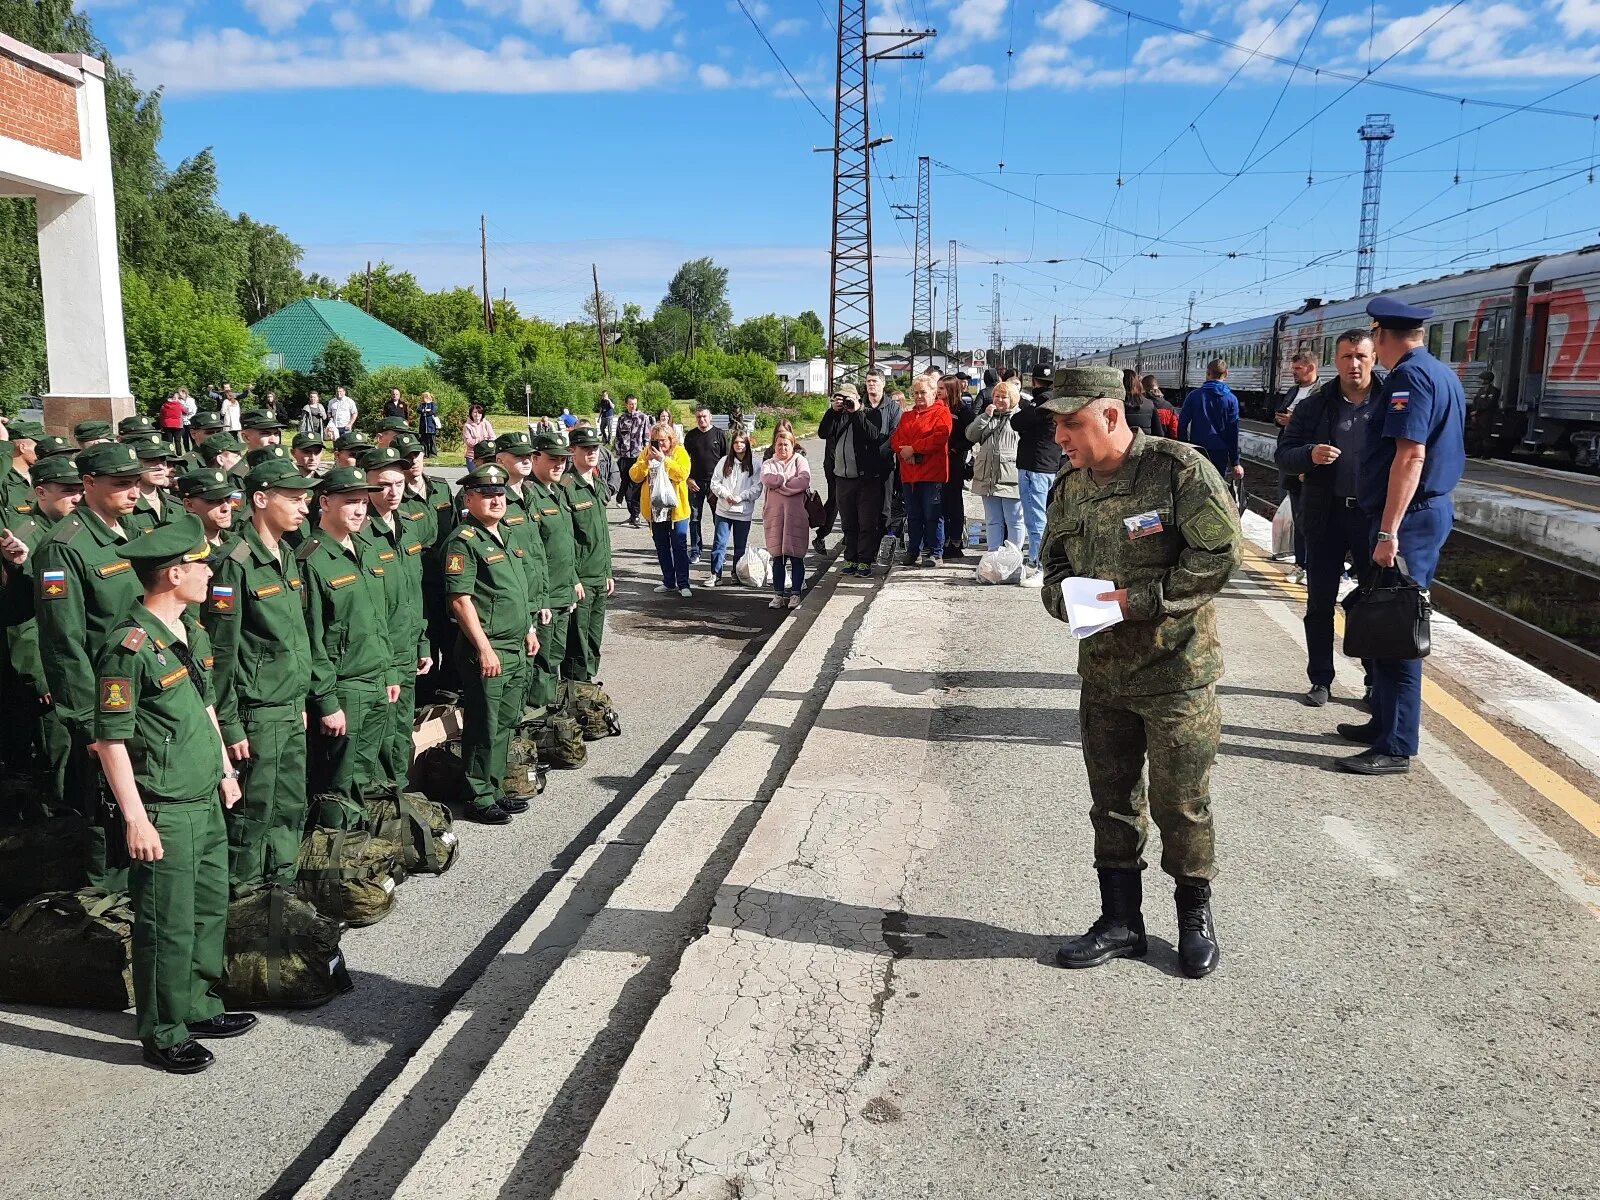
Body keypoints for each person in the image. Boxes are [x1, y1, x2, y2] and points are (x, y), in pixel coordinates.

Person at [1038, 365, 1239, 980]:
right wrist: (1065, 600)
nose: (1062, 438)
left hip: (1177, 673)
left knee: (1181, 803)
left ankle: (1194, 915)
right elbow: (1049, 569)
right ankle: (1121, 921)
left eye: (1072, 424)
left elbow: (1218, 555)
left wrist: (1135, 599)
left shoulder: (1177, 471)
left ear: (1110, 414)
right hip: (1103, 676)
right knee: (1112, 803)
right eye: (1057, 426)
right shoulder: (1067, 489)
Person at [94, 516, 253, 1075]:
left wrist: (224, 770)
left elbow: (205, 705)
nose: (211, 573)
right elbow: (110, 742)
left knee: (208, 908)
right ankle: (163, 1030)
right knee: (167, 924)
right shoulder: (129, 648)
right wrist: (136, 820)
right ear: (173, 574)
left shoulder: (192, 631)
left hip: (204, 794)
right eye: (201, 565)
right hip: (163, 805)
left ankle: (199, 1005)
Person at [1336, 297, 1466, 776]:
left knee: (1397, 625)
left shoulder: (1410, 378)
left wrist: (1388, 529)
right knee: (1384, 618)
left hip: (1408, 519)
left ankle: (1396, 744)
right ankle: (1383, 722)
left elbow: (1409, 458)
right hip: (1420, 514)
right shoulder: (1440, 372)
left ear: (1381, 336)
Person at [199, 460, 314, 895]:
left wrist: (300, 701)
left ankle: (280, 893)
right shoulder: (235, 562)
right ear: (260, 500)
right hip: (254, 713)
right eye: (294, 498)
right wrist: (227, 724)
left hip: (287, 706)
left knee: (288, 806)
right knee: (253, 814)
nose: (303, 508)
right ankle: (244, 899)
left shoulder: (286, 554)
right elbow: (222, 653)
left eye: (305, 499)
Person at [36, 441, 147, 890]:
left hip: (144, 692)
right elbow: (63, 645)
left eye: (135, 483)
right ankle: (109, 914)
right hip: (104, 706)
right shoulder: (64, 548)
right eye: (121, 484)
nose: (132, 492)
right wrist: (88, 722)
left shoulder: (133, 530)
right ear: (88, 484)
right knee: (108, 814)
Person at [1276, 331, 1381, 710]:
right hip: (1326, 514)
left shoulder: (1390, 402)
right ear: (1335, 361)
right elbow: (1283, 454)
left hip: (1371, 518)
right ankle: (1321, 679)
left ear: (1374, 358)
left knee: (1373, 602)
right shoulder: (1315, 406)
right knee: (1319, 602)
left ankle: (1374, 680)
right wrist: (1309, 454)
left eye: (1362, 356)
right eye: (1347, 356)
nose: (1355, 364)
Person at [443, 464, 539, 825]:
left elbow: (516, 590)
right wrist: (484, 648)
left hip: (515, 645)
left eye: (500, 493)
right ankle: (478, 796)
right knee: (484, 724)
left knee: (505, 723)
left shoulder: (505, 535)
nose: (496, 499)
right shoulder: (463, 541)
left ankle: (495, 787)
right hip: (489, 649)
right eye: (486, 494)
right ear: (469, 498)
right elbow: (460, 600)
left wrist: (529, 628)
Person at [298, 466, 396, 805]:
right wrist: (326, 701)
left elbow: (378, 619)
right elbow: (310, 638)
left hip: (375, 678)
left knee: (365, 775)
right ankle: (337, 849)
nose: (360, 510)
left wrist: (390, 672)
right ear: (324, 502)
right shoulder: (310, 559)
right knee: (338, 782)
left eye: (364, 502)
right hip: (344, 687)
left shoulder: (365, 548)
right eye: (350, 502)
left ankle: (361, 848)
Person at [0, 455, 84, 814]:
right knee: (59, 745)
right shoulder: (23, 538)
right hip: (49, 665)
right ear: (40, 492)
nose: (76, 498)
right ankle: (63, 818)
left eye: (79, 491)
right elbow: (20, 620)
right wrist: (39, 674)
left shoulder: (76, 529)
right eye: (67, 492)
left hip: (78, 655)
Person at [525, 431, 578, 719]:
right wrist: (543, 598)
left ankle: (549, 722)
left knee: (554, 658)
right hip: (545, 597)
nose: (559, 465)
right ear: (535, 458)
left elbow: (564, 547)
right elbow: (535, 556)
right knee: (542, 663)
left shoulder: (557, 492)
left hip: (562, 592)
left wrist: (572, 585)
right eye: (553, 459)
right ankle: (537, 722)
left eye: (563, 460)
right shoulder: (530, 495)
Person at [561, 427, 615, 683]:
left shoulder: (597, 482)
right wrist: (572, 578)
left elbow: (601, 535)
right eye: (586, 448)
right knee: (577, 644)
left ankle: (588, 687)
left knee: (593, 640)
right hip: (581, 578)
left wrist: (608, 572)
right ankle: (576, 692)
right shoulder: (566, 487)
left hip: (598, 577)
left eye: (595, 448)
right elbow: (567, 540)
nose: (592, 453)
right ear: (573, 451)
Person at [821, 383, 889, 578]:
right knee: (849, 522)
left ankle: (865, 561)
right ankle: (850, 558)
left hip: (866, 478)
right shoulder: (838, 416)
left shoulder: (870, 414)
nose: (846, 403)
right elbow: (824, 433)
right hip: (843, 478)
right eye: (842, 399)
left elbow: (873, 435)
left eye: (849, 399)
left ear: (858, 398)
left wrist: (856, 412)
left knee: (867, 522)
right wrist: (833, 411)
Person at [890, 374, 953, 568]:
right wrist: (904, 452)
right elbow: (896, 439)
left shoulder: (942, 413)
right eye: (916, 393)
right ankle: (913, 551)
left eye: (923, 392)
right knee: (914, 515)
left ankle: (935, 552)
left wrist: (914, 448)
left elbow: (939, 437)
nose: (918, 396)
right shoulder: (907, 415)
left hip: (932, 473)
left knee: (932, 514)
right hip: (909, 474)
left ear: (934, 393)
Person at [1011, 365, 1063, 586]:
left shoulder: (1040, 403)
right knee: (1047, 517)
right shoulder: (1059, 401)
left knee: (1035, 519)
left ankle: (1038, 564)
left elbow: (1017, 422)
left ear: (1034, 381)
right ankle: (1042, 562)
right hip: (1052, 464)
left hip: (1034, 465)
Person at [1273, 352, 1319, 584]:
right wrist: (1281, 419)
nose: (1293, 373)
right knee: (1296, 512)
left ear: (1311, 368)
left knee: (1308, 517)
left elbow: (1318, 426)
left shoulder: (1321, 393)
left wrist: (1294, 422)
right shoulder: (1293, 391)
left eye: (1298, 369)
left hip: (1308, 461)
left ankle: (1310, 565)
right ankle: (1300, 563)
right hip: (1290, 457)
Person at [631, 422, 692, 595]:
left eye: (663, 440)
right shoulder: (647, 451)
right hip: (655, 510)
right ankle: (668, 581)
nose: (659, 444)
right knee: (662, 546)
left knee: (679, 546)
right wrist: (645, 463)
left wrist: (664, 460)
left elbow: (682, 474)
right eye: (655, 440)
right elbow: (634, 476)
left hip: (676, 510)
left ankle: (684, 584)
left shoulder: (679, 452)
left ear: (671, 439)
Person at [967, 378, 1024, 555]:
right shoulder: (989, 417)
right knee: (992, 520)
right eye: (996, 396)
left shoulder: (1020, 418)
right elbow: (971, 435)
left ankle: (1013, 556)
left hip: (1010, 478)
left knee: (1014, 520)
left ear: (1013, 399)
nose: (999, 400)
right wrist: (984, 417)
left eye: (1004, 397)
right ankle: (993, 555)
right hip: (988, 478)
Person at [761, 426, 811, 610]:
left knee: (796, 557)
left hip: (796, 517)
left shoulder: (800, 461)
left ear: (793, 445)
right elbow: (768, 480)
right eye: (779, 444)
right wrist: (786, 480)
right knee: (778, 557)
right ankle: (778, 595)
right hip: (775, 517)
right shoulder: (768, 463)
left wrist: (780, 483)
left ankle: (796, 593)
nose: (783, 448)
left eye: (786, 445)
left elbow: (803, 481)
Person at [707, 429, 761, 586]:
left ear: (747, 444)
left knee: (740, 546)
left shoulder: (755, 464)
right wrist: (725, 494)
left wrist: (741, 497)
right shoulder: (724, 461)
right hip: (724, 510)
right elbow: (715, 482)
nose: (739, 445)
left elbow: (757, 487)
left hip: (743, 512)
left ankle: (736, 574)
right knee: (719, 543)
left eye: (742, 442)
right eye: (736, 442)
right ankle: (715, 575)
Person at [1178, 359, 1244, 484]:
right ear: (1226, 374)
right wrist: (1235, 461)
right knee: (1217, 485)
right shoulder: (1231, 399)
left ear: (1208, 373)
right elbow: (1233, 431)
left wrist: (1185, 446)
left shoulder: (1194, 396)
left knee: (1196, 484)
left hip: (1198, 448)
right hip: (1220, 451)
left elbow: (1182, 423)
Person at [682, 407, 728, 565]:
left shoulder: (719, 435)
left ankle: (718, 550)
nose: (702, 420)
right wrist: (687, 478)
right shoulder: (691, 436)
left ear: (710, 417)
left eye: (704, 417)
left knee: (719, 519)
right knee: (694, 519)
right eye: (699, 417)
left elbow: (727, 461)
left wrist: (722, 483)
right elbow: (683, 459)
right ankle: (695, 550)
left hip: (715, 484)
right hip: (695, 483)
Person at [938, 376, 976, 560]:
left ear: (951, 390)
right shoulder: (936, 408)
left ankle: (955, 541)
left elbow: (971, 436)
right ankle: (941, 540)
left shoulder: (962, 411)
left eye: (942, 389)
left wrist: (955, 449)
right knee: (940, 503)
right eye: (937, 388)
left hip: (954, 462)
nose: (938, 392)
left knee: (953, 502)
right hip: (937, 462)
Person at [174, 467, 237, 549]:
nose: (226, 508)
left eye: (228, 498)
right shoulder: (183, 549)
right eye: (214, 500)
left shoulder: (236, 541)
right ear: (189, 505)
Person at [614, 395, 652, 528]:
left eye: (635, 404)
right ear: (626, 405)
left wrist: (646, 455)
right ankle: (632, 514)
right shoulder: (622, 418)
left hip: (638, 457)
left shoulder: (643, 418)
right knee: (625, 486)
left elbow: (647, 437)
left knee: (635, 487)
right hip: (625, 456)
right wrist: (618, 452)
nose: (633, 406)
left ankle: (636, 514)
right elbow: (618, 437)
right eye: (630, 404)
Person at [417, 392, 441, 458]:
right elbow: (418, 410)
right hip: (423, 426)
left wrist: (425, 412)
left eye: (427, 397)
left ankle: (433, 454)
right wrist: (425, 411)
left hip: (431, 426)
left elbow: (432, 411)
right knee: (424, 441)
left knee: (432, 440)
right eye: (424, 397)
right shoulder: (422, 405)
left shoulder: (433, 404)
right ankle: (425, 453)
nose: (425, 398)